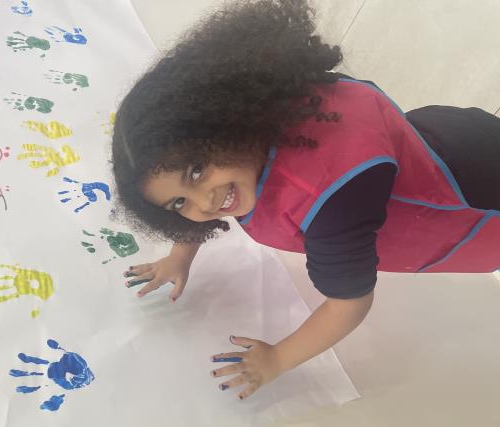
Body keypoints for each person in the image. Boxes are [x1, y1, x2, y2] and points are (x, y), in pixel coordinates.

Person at [110, 0, 500, 400]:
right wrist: (179, 257)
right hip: (449, 134)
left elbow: (349, 304)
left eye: (196, 171)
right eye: (178, 204)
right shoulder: (266, 117)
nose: (204, 203)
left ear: (219, 123)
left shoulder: (332, 201)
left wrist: (276, 359)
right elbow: (197, 197)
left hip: (475, 200)